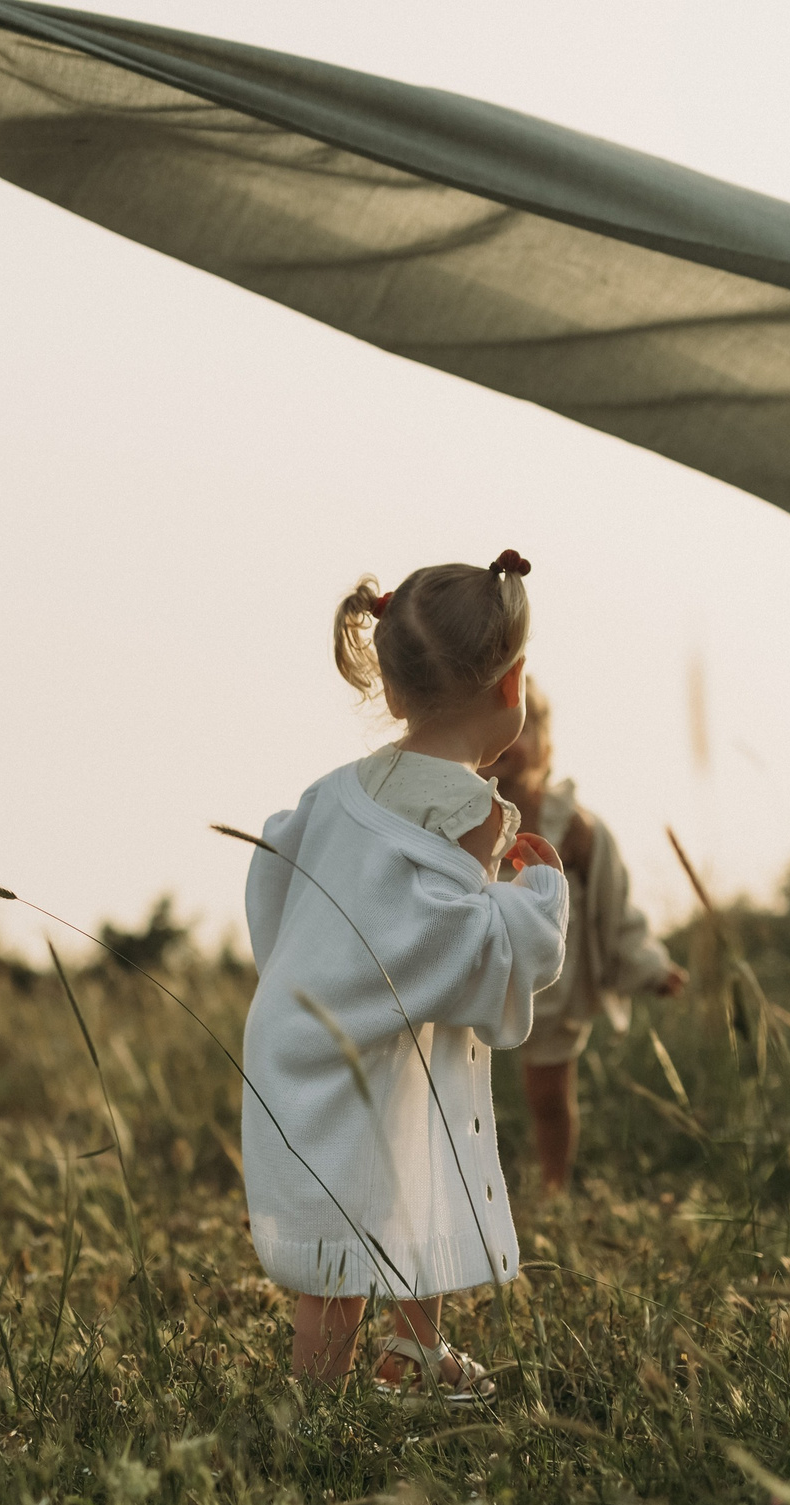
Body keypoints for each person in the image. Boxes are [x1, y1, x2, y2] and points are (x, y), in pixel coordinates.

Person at [239, 552, 569, 1400]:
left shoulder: (330, 791)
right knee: (417, 1171)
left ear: (390, 690)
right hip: (377, 1038)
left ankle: (329, 1396)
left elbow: (275, 877)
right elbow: (458, 945)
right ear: (513, 684)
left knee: (341, 1233)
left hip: (307, 1025)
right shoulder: (472, 808)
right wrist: (537, 903)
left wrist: (311, 971)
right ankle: (387, 1368)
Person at [482, 676, 685, 1197]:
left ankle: (553, 1186)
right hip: (478, 975)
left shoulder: (570, 825)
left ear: (545, 746)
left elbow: (613, 905)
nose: (503, 744)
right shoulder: (459, 818)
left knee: (548, 1095)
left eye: (519, 728)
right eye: (486, 727)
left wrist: (649, 965)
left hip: (552, 989)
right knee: (459, 1090)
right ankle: (469, 1188)